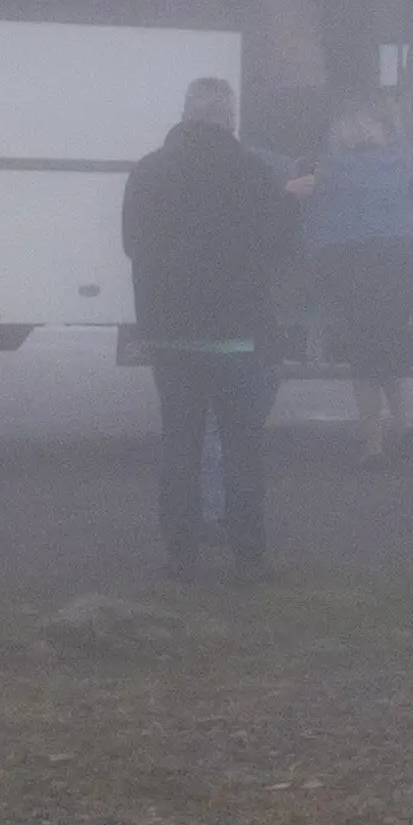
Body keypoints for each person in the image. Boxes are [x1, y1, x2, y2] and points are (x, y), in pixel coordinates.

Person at [121, 77, 301, 581]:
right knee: (242, 447)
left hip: (171, 332)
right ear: (231, 118)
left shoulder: (150, 170)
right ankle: (249, 557)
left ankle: (181, 554)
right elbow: (279, 246)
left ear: (185, 114)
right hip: (238, 331)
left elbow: (132, 242)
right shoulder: (253, 171)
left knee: (180, 444)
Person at [294, 102, 413, 462]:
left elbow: (310, 208)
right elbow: (405, 144)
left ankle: (372, 441)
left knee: (362, 349)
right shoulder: (400, 162)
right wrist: (397, 120)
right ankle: (401, 423)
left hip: (348, 260)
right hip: (401, 256)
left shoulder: (331, 167)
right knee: (390, 339)